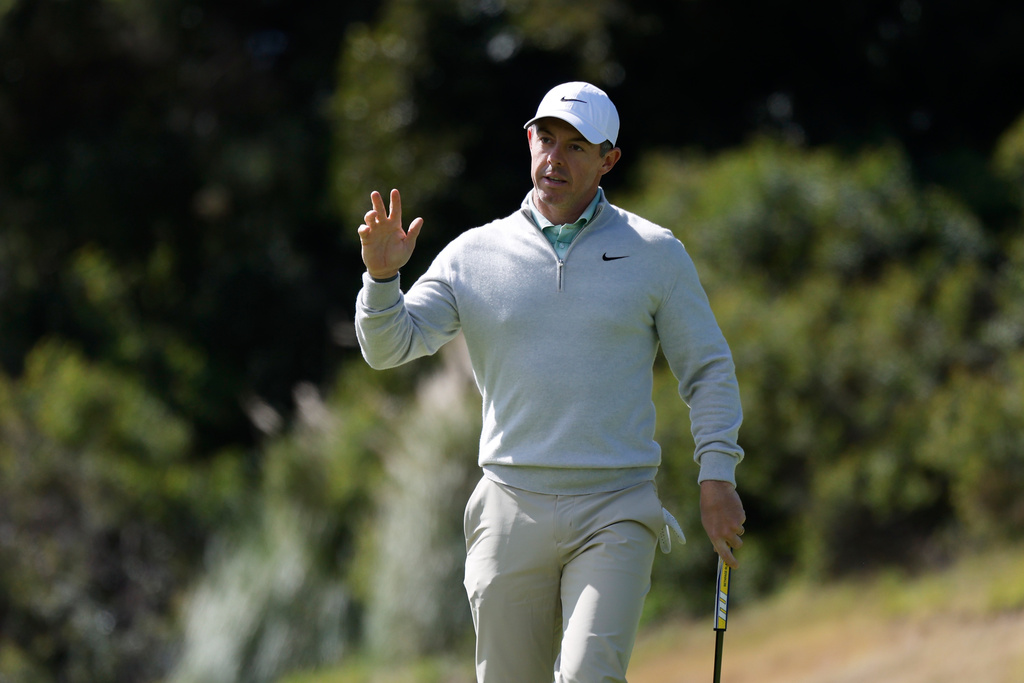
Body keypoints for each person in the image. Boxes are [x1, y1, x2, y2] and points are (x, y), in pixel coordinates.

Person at [355, 81, 746, 683]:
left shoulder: (655, 253)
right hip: (510, 507)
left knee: (591, 674)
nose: (555, 158)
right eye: (545, 138)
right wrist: (382, 281)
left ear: (608, 160)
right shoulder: (473, 254)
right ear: (529, 141)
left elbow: (707, 369)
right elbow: (389, 347)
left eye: (576, 146)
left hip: (616, 506)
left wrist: (717, 474)